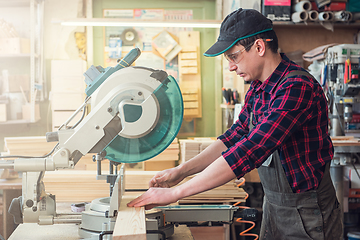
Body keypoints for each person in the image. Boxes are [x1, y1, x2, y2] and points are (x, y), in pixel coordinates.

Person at [128, 8, 343, 240]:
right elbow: (234, 137)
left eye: (234, 56)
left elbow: (252, 149)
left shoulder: (297, 87)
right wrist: (181, 171)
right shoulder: (258, 89)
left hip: (309, 214)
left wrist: (178, 193)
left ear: (259, 47)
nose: (231, 66)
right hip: (275, 208)